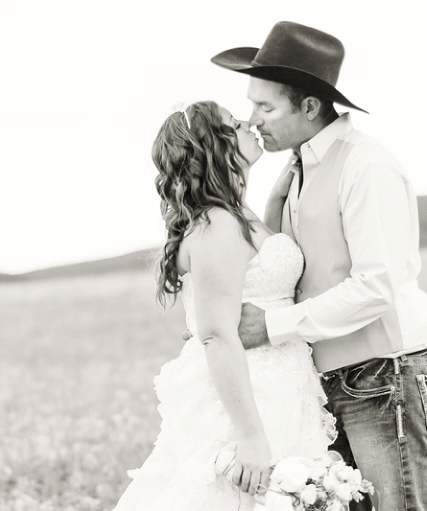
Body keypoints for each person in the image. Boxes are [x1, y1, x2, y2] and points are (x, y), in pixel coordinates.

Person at [211, 21, 427, 511]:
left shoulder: (366, 166)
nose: (252, 118)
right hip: (325, 384)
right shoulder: (295, 170)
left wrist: (271, 327)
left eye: (266, 107)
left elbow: (376, 285)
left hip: (385, 375)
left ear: (310, 107)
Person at [113, 101, 336, 511]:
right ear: (214, 146)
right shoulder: (217, 223)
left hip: (282, 384)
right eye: (234, 123)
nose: (250, 123)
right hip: (249, 396)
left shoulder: (240, 214)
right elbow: (216, 335)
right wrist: (250, 435)